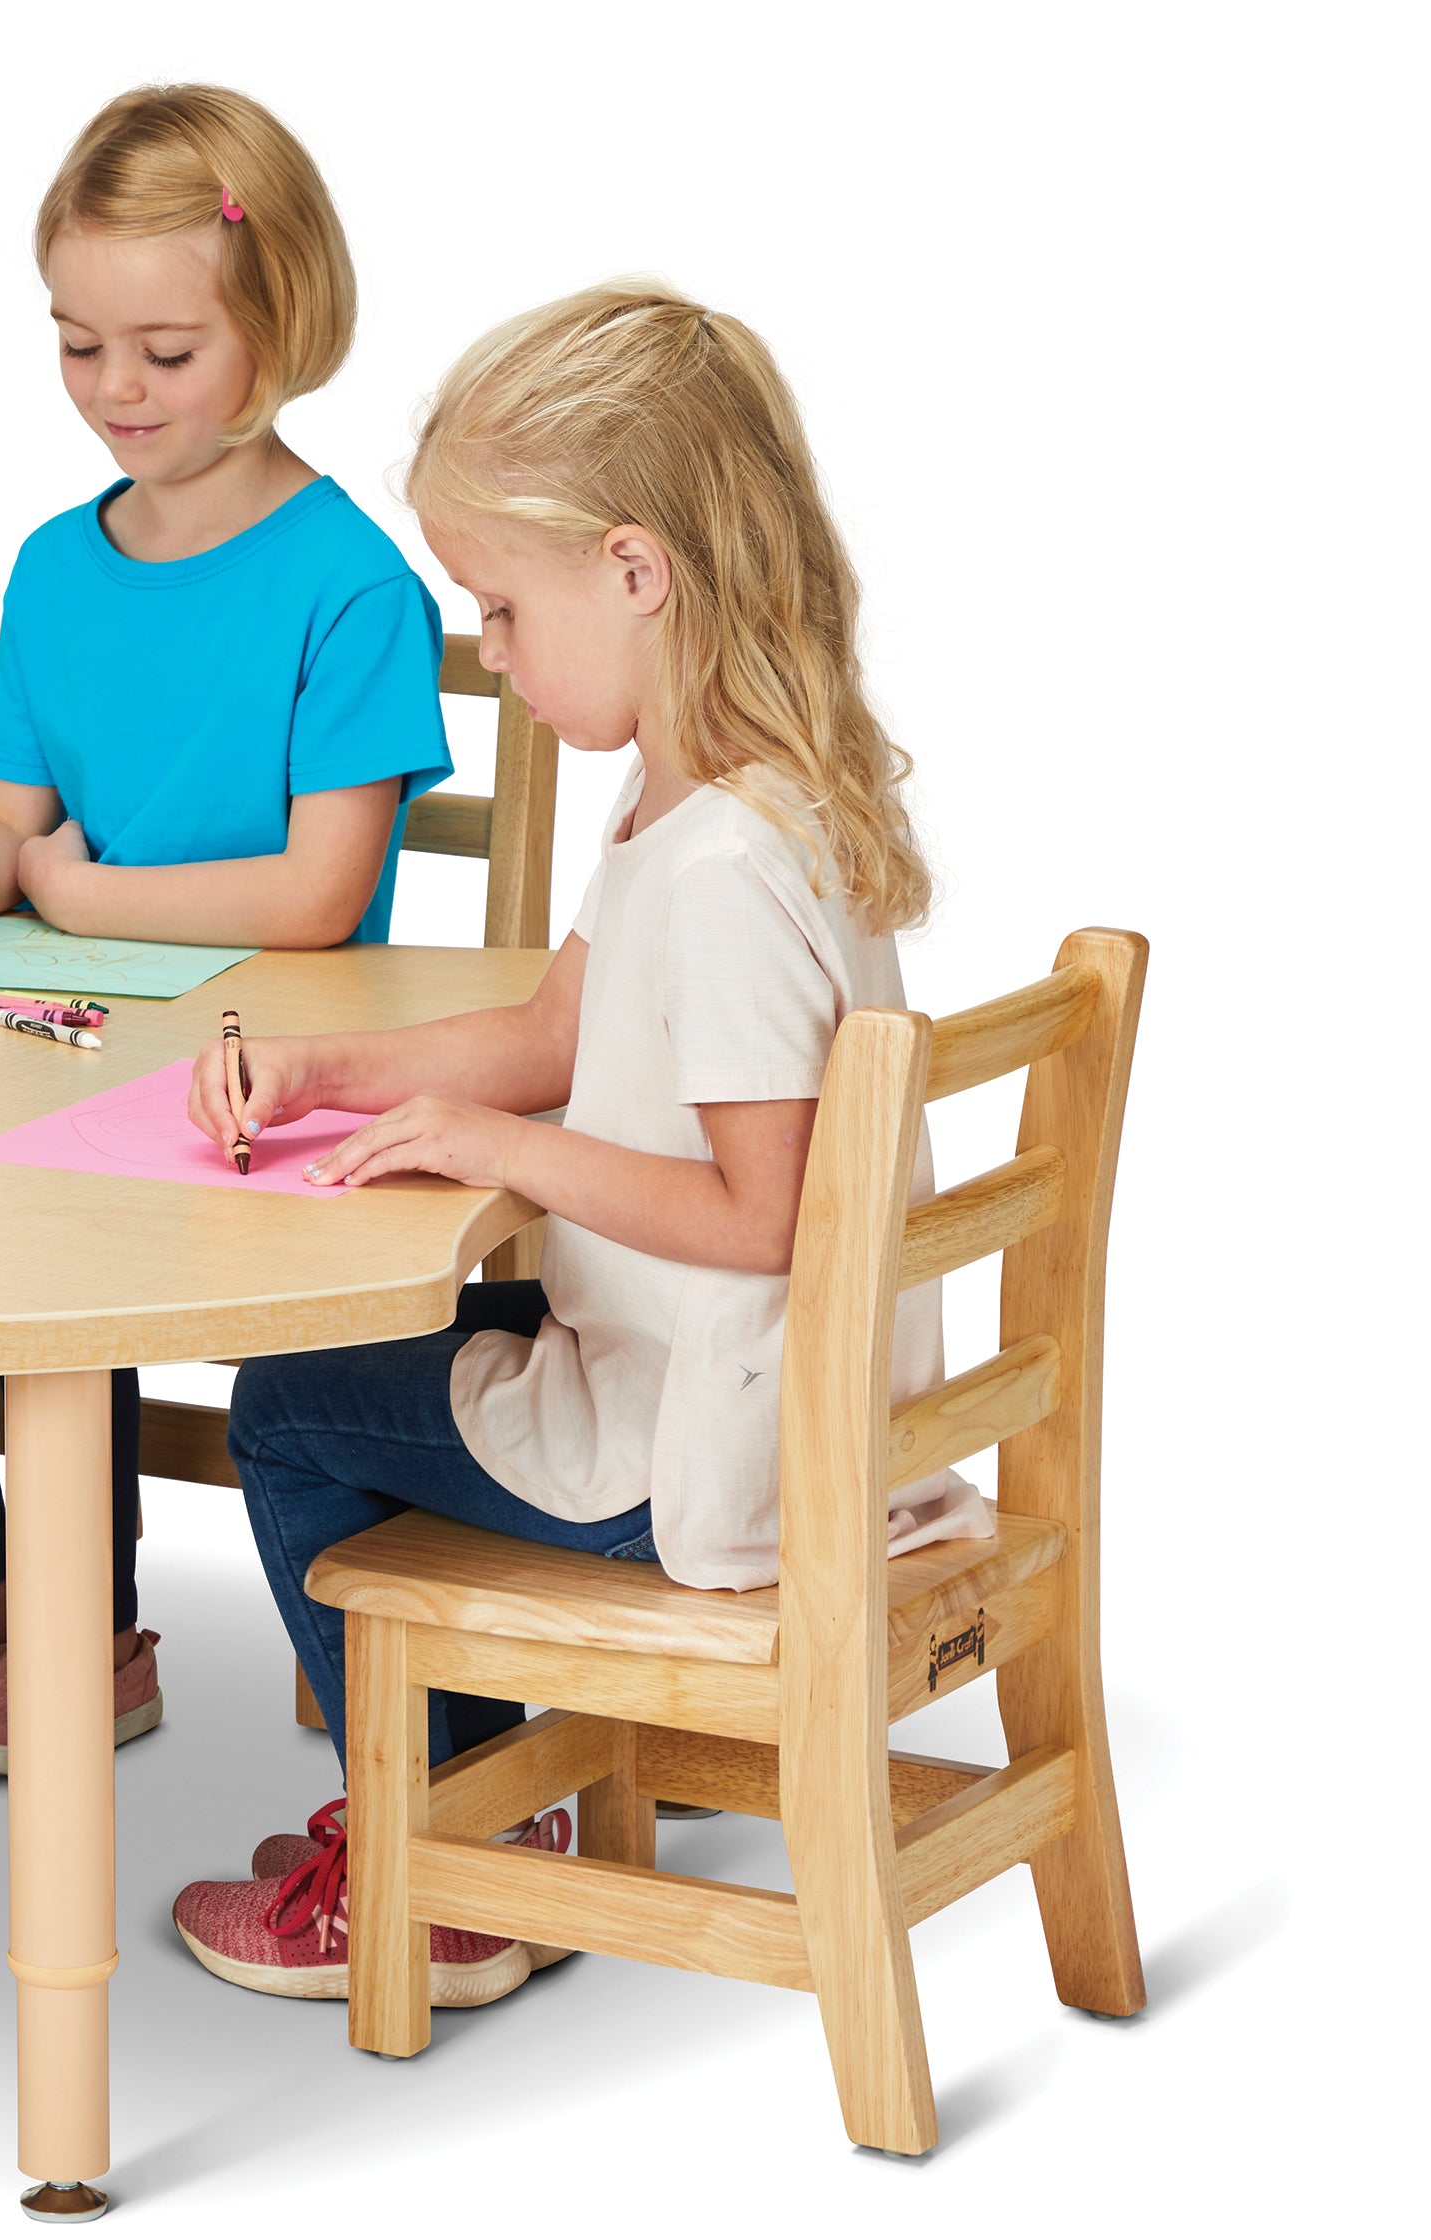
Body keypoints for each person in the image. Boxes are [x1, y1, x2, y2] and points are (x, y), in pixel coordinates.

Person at [170, 281, 995, 2004]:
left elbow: (765, 1214)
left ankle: (447, 1868)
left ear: (635, 570)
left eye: (501, 605)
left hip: (719, 1453)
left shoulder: (721, 873)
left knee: (286, 1407)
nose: (488, 649)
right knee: (390, 1342)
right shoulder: (725, 789)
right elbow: (556, 1031)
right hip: (785, 1403)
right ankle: (491, 1814)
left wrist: (502, 1151)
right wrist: (330, 1066)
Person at [0, 85, 454, 1773]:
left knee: (56, 1221)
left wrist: (76, 891)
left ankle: (93, 1639)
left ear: (278, 325)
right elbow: (3, 819)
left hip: (261, 1071)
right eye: (79, 346)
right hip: (67, 1033)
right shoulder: (55, 567)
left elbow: (318, 893)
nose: (115, 391)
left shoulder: (350, 581)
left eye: (165, 351)